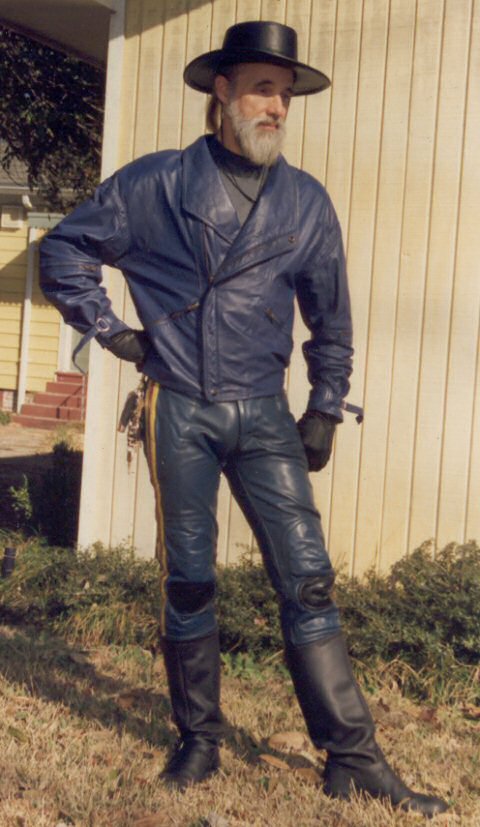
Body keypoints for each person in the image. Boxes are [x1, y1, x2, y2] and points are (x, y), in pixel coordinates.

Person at [40, 21, 447, 817]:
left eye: (286, 94)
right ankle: (199, 737)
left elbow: (333, 320)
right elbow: (63, 251)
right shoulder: (155, 185)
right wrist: (115, 332)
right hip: (178, 404)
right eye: (262, 88)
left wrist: (325, 406)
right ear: (220, 91)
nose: (277, 107)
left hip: (264, 412)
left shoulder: (306, 202)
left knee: (309, 577)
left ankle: (353, 757)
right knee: (189, 579)